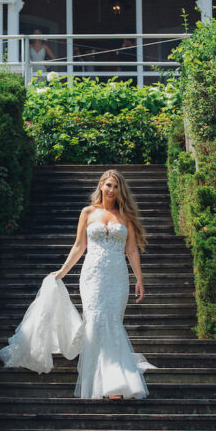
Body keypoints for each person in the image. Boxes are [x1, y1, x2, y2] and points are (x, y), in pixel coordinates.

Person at [53, 169, 154, 399]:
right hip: (92, 276)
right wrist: (62, 271)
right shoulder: (87, 212)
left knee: (112, 323)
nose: (111, 190)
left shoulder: (125, 216)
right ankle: (102, 383)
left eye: (116, 187)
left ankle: (114, 381)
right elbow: (79, 246)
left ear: (120, 191)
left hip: (117, 277)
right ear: (100, 186)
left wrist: (139, 278)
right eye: (108, 185)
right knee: (96, 323)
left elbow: (131, 249)